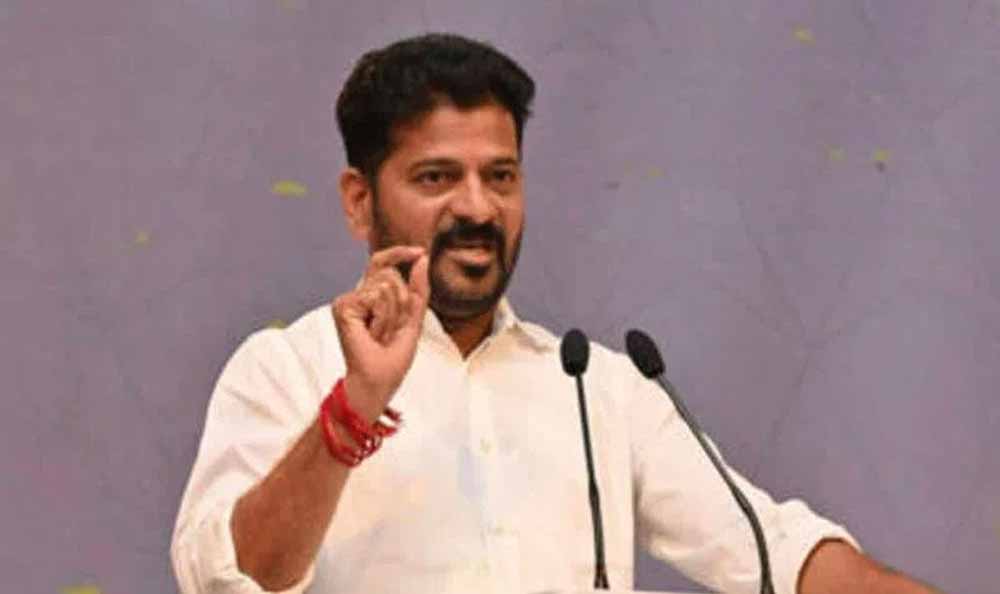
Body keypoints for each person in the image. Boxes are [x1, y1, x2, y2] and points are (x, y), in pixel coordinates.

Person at [171, 33, 943, 594]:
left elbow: (778, 553)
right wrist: (354, 408)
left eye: (501, 176)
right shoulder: (287, 369)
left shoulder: (597, 389)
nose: (478, 208)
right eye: (437, 177)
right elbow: (228, 579)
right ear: (358, 200)